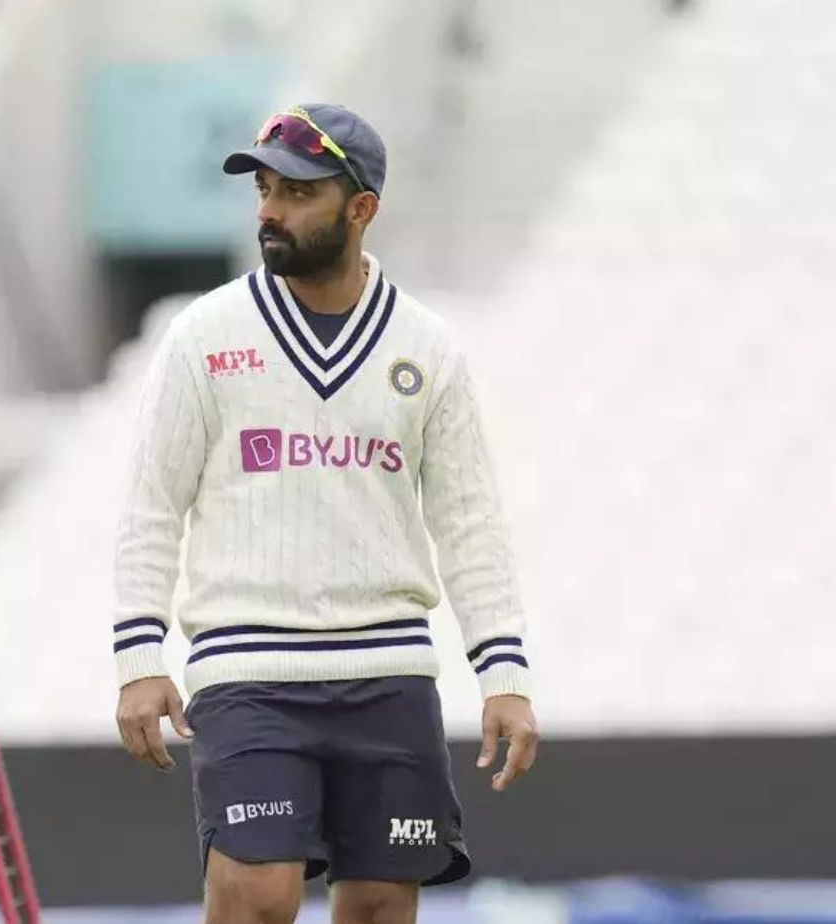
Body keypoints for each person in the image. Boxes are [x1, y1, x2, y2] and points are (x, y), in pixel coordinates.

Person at [111, 104, 540, 924]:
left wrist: (505, 677)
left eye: (299, 192)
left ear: (361, 208)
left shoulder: (426, 347)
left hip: (389, 672)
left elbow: (468, 521)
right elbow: (152, 504)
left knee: (380, 902)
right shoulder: (204, 336)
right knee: (255, 895)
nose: (270, 209)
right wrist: (139, 655)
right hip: (247, 668)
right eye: (265, 188)